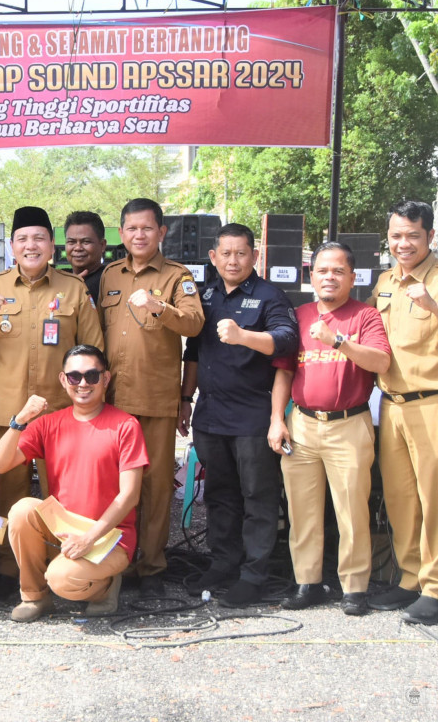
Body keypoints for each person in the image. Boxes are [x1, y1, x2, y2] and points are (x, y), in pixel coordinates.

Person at [0, 206, 104, 582]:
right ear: (12, 246)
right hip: (7, 415)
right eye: (23, 239)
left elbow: (94, 348)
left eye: (39, 238)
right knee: (8, 493)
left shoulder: (74, 289)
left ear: (52, 246)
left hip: (61, 413)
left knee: (65, 496)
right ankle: (11, 573)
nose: (31, 246)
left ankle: (64, 569)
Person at [367, 200, 438, 625]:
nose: (403, 243)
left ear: (430, 236)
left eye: (412, 235)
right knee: (400, 500)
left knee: (437, 500)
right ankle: (410, 578)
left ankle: (436, 588)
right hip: (392, 407)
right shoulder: (385, 282)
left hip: (435, 404)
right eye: (396, 235)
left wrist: (434, 305)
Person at [268, 242, 391, 616]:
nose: (329, 277)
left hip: (349, 425)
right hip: (301, 424)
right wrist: (277, 420)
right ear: (310, 275)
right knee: (301, 512)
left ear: (353, 277)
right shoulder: (299, 315)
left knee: (352, 511)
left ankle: (354, 588)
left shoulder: (365, 316)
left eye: (338, 271)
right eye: (322, 270)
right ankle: (308, 583)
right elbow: (285, 371)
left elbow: (381, 361)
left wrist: (338, 340)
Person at [181, 222, 298, 608]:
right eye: (225, 253)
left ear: (255, 255)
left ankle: (254, 574)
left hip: (253, 415)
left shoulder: (270, 296)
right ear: (213, 257)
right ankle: (223, 562)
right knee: (219, 495)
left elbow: (286, 341)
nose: (233, 260)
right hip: (210, 414)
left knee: (257, 497)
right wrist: (186, 398)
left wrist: (245, 335)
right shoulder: (206, 295)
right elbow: (193, 353)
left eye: (241, 253)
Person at [0, 345, 147, 622]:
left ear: (106, 379)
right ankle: (34, 597)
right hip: (63, 528)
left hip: (110, 537)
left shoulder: (126, 425)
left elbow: (130, 496)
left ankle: (105, 588)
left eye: (91, 376)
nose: (83, 383)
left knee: (61, 578)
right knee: (22, 510)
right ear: (64, 380)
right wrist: (20, 421)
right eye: (75, 377)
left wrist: (90, 538)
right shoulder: (49, 424)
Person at [97, 198, 204, 597]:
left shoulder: (179, 276)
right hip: (112, 401)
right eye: (131, 228)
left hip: (158, 400)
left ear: (162, 232)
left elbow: (194, 326)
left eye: (147, 228)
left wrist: (160, 306)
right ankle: (116, 561)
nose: (139, 235)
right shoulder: (110, 275)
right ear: (121, 233)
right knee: (114, 487)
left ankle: (153, 567)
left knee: (156, 487)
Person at [64, 211, 108, 303]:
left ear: (102, 245)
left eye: (86, 242)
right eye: (71, 242)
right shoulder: (58, 279)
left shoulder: (109, 280)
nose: (78, 248)